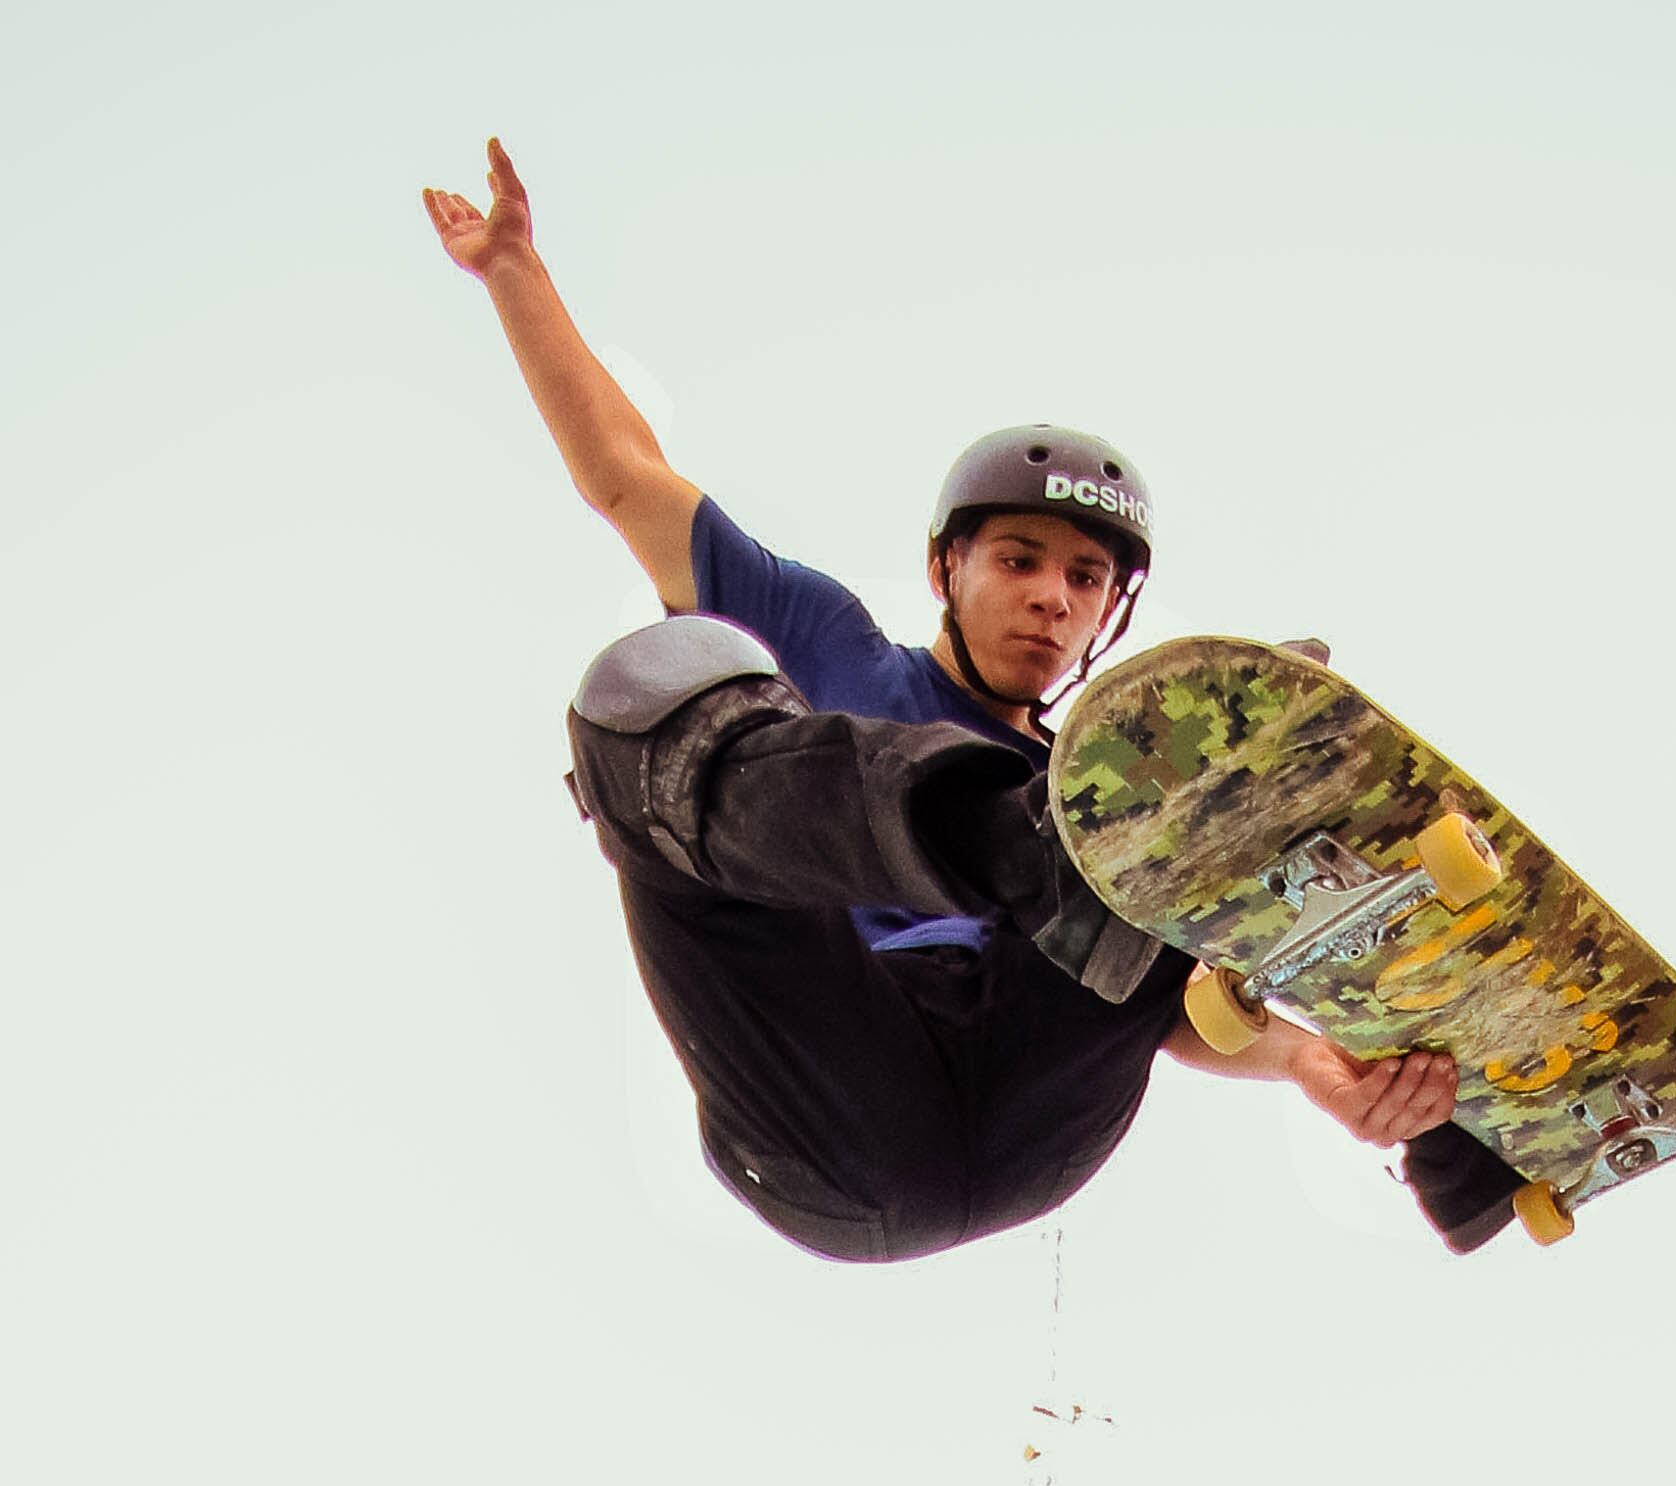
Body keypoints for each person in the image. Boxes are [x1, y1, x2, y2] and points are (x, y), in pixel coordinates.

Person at [421, 141, 1525, 1262]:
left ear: (1109, 616)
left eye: (1083, 581)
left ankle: (1481, 1143)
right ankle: (999, 840)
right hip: (829, 1106)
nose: (1050, 599)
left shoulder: (1114, 799)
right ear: (948, 568)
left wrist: (1310, 1065)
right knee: (644, 693)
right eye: (1018, 560)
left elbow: (1172, 1000)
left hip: (1034, 1112)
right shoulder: (820, 641)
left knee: (1181, 807)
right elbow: (623, 475)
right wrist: (512, 266)